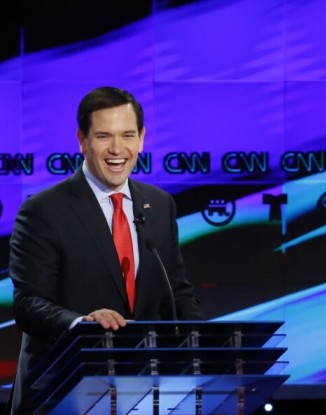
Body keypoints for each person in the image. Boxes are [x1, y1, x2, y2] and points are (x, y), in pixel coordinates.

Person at [8, 86, 205, 414]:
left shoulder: (158, 204)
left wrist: (209, 347)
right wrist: (80, 323)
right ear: (82, 140)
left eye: (128, 135)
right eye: (103, 136)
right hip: (62, 391)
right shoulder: (44, 210)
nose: (118, 149)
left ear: (141, 138)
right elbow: (28, 304)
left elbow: (177, 294)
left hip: (143, 393)